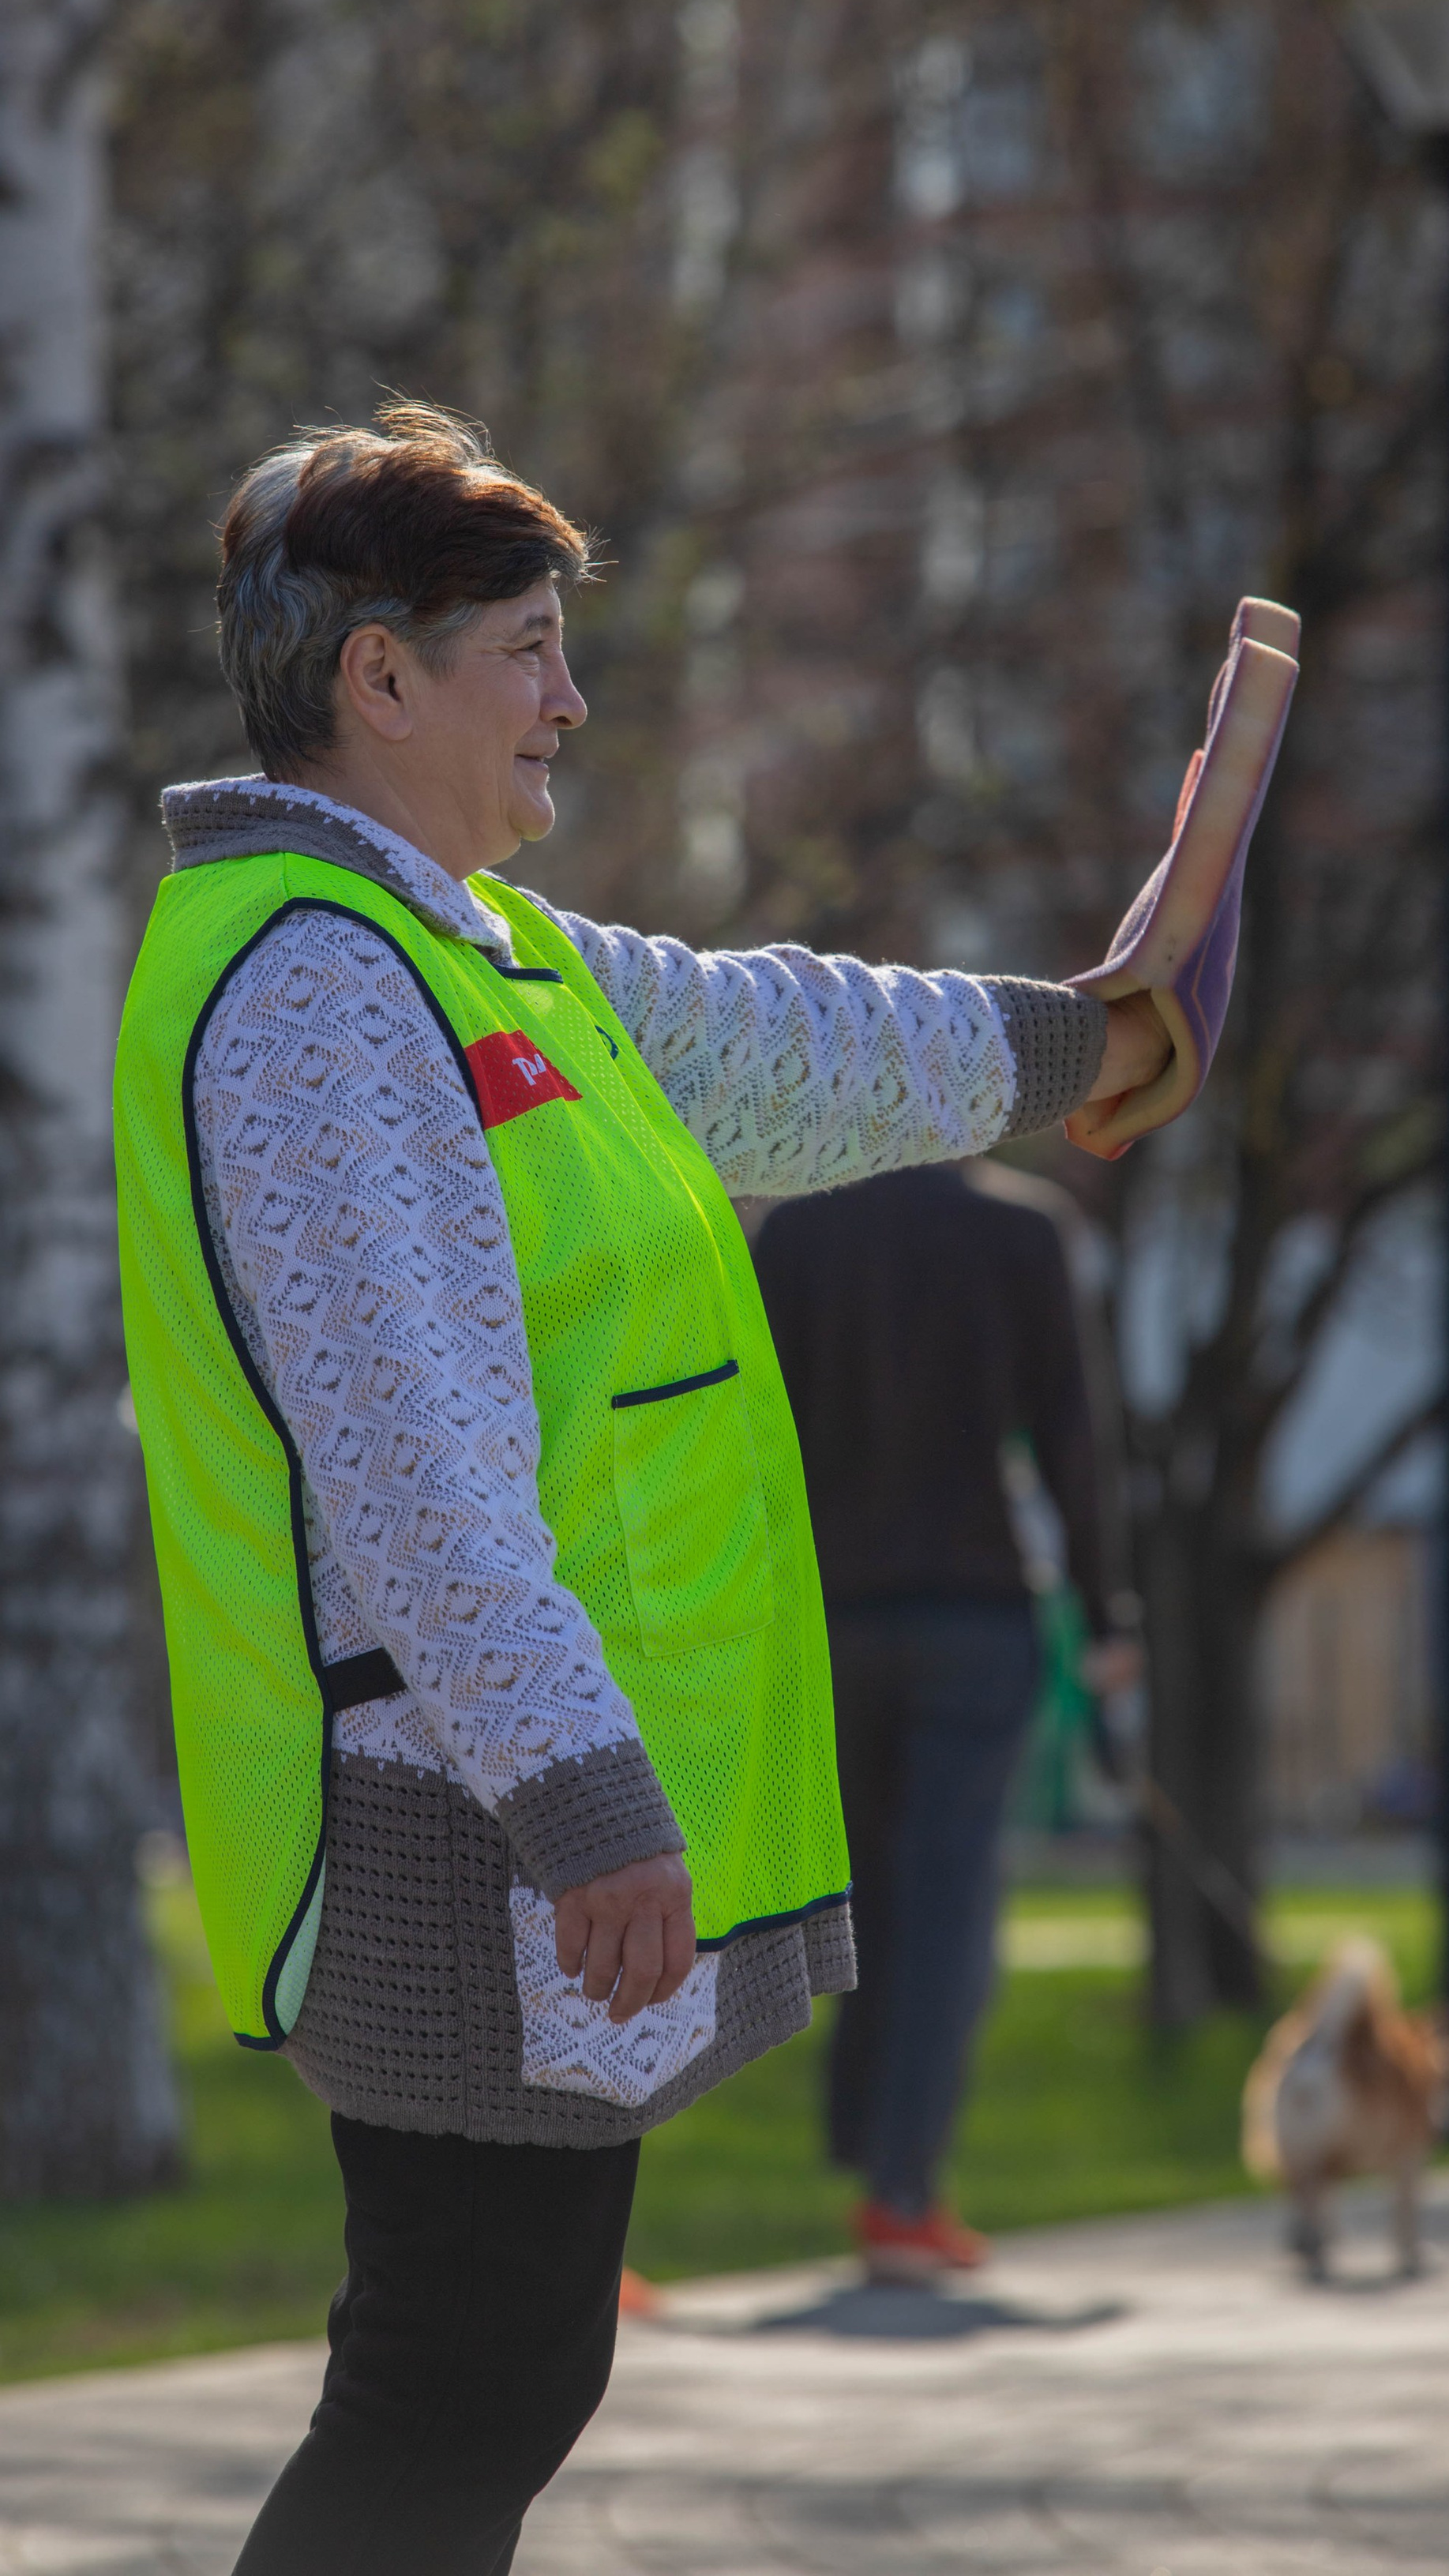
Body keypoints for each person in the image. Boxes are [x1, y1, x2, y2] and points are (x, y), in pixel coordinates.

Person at [113, 404, 1173, 2575]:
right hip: (447, 1799)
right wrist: (575, 1788)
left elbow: (774, 1039)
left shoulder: (466, 952)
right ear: (375, 678)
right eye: (523, 648)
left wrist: (1081, 1040)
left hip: (479, 1780)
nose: (571, 702)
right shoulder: (316, 990)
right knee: (460, 2377)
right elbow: (407, 1454)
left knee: (486, 2372)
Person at [753, 1159, 1136, 2281]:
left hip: (832, 1619)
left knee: (865, 1895)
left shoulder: (794, 1231)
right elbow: (1073, 1433)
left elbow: (748, 1430)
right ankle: (902, 2190)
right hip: (976, 1615)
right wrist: (1108, 1612)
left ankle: (869, 2146)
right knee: (946, 1908)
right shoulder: (1025, 1230)